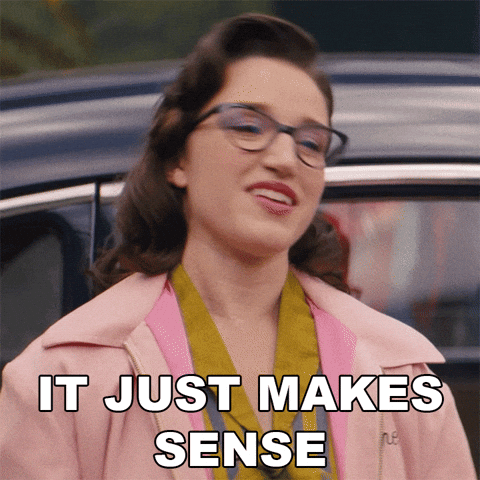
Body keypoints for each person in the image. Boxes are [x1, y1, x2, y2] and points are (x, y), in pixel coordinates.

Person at [0, 13, 475, 480]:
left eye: (311, 143)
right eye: (248, 127)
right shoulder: (57, 381)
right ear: (177, 158)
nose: (286, 159)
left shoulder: (401, 376)